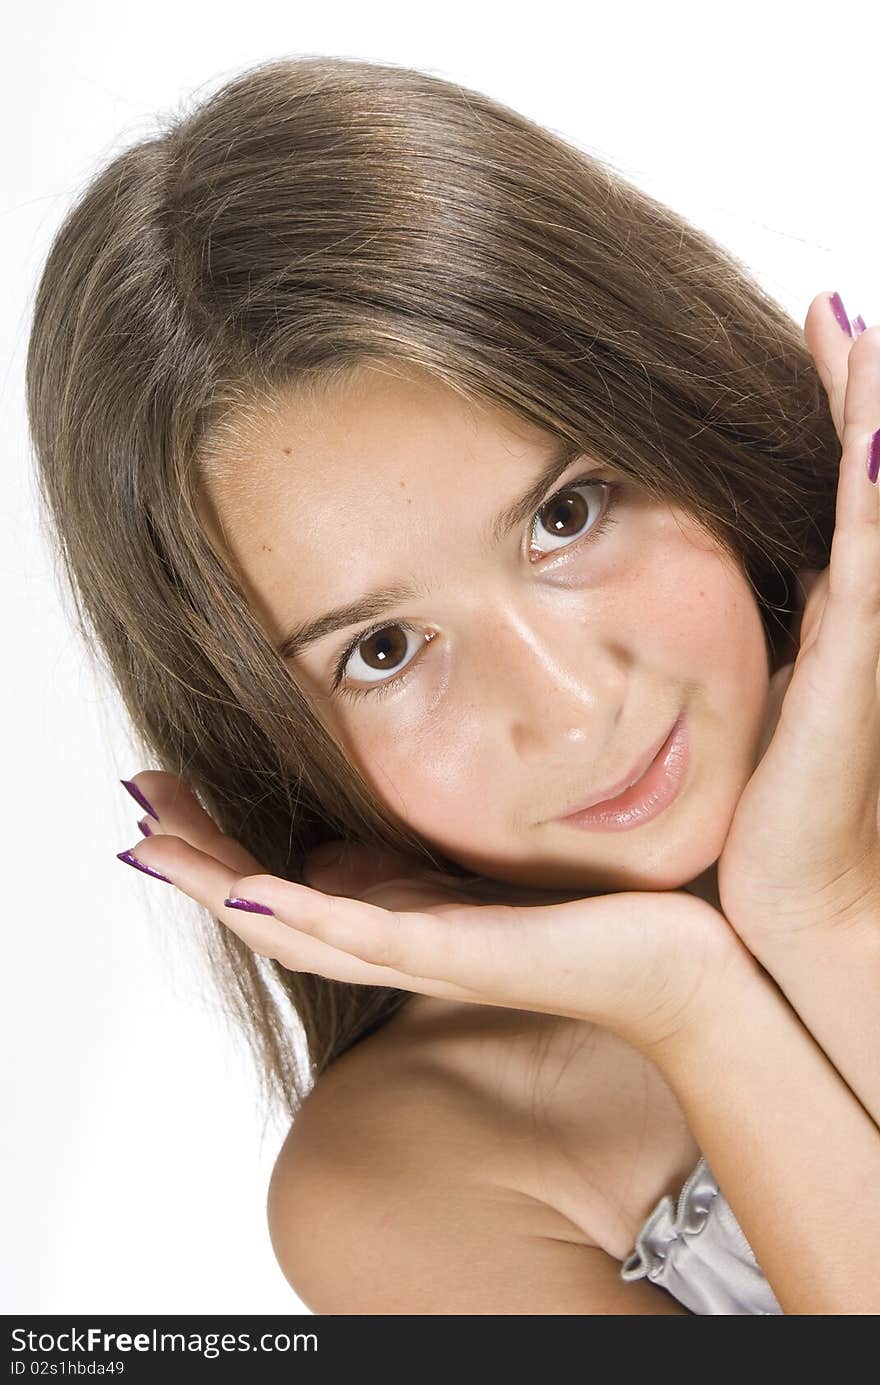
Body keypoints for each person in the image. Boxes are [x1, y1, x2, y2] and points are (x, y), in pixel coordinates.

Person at [25, 53, 880, 1315]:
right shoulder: (412, 1174)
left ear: (683, 417)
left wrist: (824, 909)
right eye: (380, 649)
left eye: (566, 513)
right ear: (267, 736)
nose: (572, 703)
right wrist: (694, 1002)